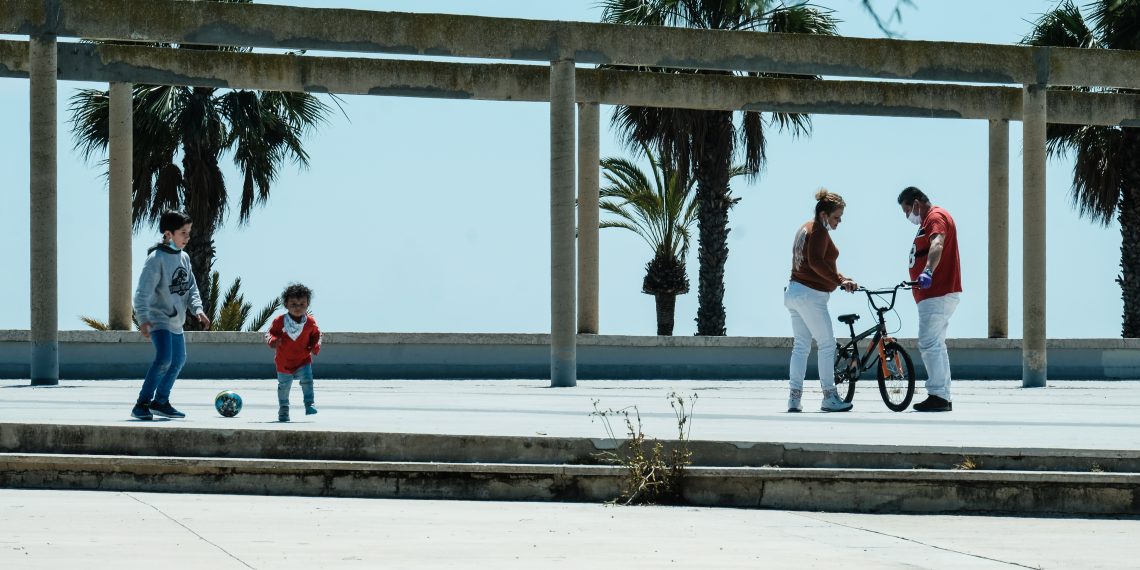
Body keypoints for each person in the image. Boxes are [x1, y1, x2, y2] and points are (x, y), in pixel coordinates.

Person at [131, 210, 211, 420]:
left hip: (177, 322)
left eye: (189, 233)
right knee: (164, 359)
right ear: (168, 234)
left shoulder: (184, 257)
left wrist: (198, 310)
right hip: (159, 320)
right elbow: (142, 293)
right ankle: (142, 404)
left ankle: (161, 401)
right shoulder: (155, 260)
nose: (188, 237)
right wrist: (143, 319)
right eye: (183, 233)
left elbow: (191, 287)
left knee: (178, 360)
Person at [784, 188, 859, 413]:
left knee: (801, 347)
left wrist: (840, 277)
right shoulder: (818, 231)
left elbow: (812, 264)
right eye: (837, 217)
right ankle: (830, 396)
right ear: (824, 215)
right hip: (810, 295)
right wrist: (839, 281)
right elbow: (816, 263)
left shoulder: (804, 228)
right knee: (827, 345)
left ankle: (794, 399)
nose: (839, 221)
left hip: (794, 292)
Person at [898, 186, 962, 412]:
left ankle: (938, 395)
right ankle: (943, 394)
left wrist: (928, 271)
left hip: (937, 291)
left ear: (916, 203)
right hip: (934, 294)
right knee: (936, 344)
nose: (908, 216)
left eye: (908, 210)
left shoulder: (935, 217)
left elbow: (937, 243)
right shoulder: (928, 221)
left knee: (928, 342)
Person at [266, 283, 322, 422]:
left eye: (302, 304)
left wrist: (315, 346)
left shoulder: (310, 323)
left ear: (308, 304)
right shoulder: (280, 321)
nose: (298, 308)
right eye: (294, 304)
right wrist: (273, 341)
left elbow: (318, 335)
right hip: (284, 362)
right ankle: (284, 409)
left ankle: (309, 404)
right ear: (286, 304)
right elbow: (269, 333)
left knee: (307, 382)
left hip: (303, 360)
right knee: (284, 387)